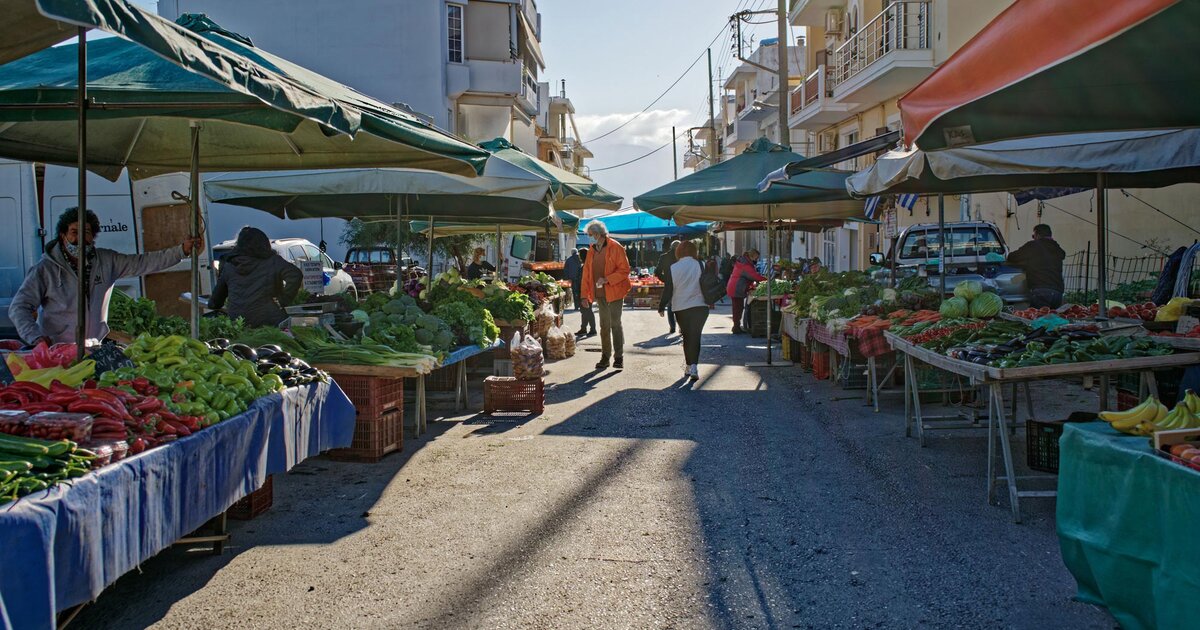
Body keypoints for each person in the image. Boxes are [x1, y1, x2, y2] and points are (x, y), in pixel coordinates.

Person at [9, 207, 202, 346]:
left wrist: (181, 251)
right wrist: (35, 337)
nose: (79, 238)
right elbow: (19, 307)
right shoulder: (45, 269)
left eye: (86, 232)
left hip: (94, 346)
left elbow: (144, 262)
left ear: (93, 236)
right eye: (74, 232)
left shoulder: (107, 260)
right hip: (56, 348)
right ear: (62, 235)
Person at [208, 227, 303, 327]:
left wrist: (215, 304)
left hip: (238, 322)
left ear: (239, 244)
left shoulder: (229, 265)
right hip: (270, 320)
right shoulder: (273, 261)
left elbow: (215, 301)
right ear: (264, 243)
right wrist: (283, 300)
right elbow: (295, 275)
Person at [581, 220, 631, 370]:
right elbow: (586, 274)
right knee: (604, 326)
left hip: (615, 292)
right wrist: (584, 295)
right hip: (600, 294)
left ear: (597, 234)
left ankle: (619, 357)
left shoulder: (616, 247)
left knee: (615, 324)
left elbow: (624, 270)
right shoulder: (591, 250)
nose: (589, 237)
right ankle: (605, 357)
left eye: (590, 235)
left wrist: (607, 279)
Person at [658, 241, 709, 381]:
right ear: (694, 251)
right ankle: (694, 367)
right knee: (696, 336)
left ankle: (689, 365)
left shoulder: (673, 268)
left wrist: (661, 306)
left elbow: (668, 290)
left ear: (678, 252)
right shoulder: (701, 264)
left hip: (681, 307)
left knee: (687, 336)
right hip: (700, 306)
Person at [1007, 223, 1066, 308]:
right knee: (1052, 316)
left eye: (1033, 236)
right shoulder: (1057, 248)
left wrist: (1025, 262)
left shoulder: (1033, 246)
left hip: (1041, 291)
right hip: (1058, 293)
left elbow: (1012, 257)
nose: (1033, 238)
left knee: (1037, 316)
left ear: (1038, 235)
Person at [726, 249, 765, 335]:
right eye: (756, 258)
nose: (756, 260)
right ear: (751, 256)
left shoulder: (743, 262)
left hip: (735, 287)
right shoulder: (745, 265)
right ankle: (736, 327)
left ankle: (736, 326)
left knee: (738, 308)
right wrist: (766, 280)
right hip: (736, 288)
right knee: (737, 308)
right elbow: (754, 276)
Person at [565, 248, 595, 336]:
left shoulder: (586, 266)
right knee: (585, 311)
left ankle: (593, 329)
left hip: (585, 292)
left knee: (587, 311)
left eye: (580, 256)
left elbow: (583, 281)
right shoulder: (586, 265)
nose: (579, 257)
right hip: (585, 291)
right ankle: (584, 328)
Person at [655, 240, 680, 334]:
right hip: (681, 283)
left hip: (669, 284)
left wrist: (665, 279)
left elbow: (657, 272)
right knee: (680, 305)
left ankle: (672, 327)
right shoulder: (681, 257)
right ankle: (681, 326)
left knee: (670, 305)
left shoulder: (664, 257)